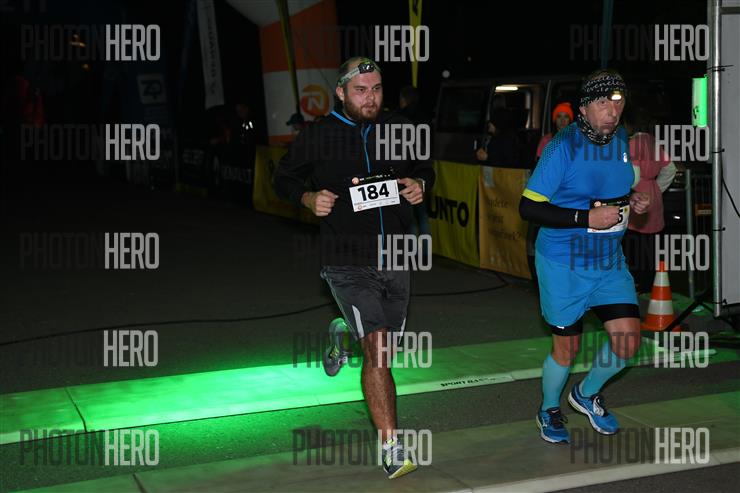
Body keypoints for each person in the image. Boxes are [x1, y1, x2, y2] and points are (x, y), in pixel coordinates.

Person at [274, 56, 434, 478]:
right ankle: (392, 448)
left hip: (396, 256)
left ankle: (343, 332)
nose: (370, 98)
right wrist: (307, 198)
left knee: (383, 348)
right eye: (361, 90)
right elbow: (282, 177)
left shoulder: (400, 129)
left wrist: (421, 184)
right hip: (346, 259)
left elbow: (423, 168)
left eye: (376, 89)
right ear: (341, 92)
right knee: (378, 351)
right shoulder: (318, 136)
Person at [519, 69, 650, 444]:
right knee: (567, 348)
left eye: (618, 102)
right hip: (563, 264)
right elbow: (528, 207)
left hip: (608, 262)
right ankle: (549, 408)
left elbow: (610, 189)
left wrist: (633, 200)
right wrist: (584, 218)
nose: (612, 111)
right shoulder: (561, 147)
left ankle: (586, 394)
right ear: (583, 108)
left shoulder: (620, 138)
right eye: (603, 102)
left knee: (628, 341)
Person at [622, 108, 676, 293]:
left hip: (638, 197)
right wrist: (657, 189)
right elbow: (670, 169)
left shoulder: (633, 144)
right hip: (654, 197)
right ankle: (651, 284)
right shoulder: (653, 142)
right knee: (652, 246)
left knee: (634, 246)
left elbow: (634, 177)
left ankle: (638, 284)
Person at [527, 102, 575, 284]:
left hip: (567, 196)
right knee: (544, 232)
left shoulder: (576, 140)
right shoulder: (547, 140)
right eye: (559, 117)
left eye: (566, 117)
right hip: (548, 195)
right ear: (554, 120)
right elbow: (539, 169)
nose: (562, 121)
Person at [397, 85, 431, 241]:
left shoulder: (400, 118)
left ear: (404, 99)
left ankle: (413, 251)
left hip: (407, 171)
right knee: (422, 214)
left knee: (409, 216)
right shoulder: (426, 116)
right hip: (423, 169)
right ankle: (424, 251)